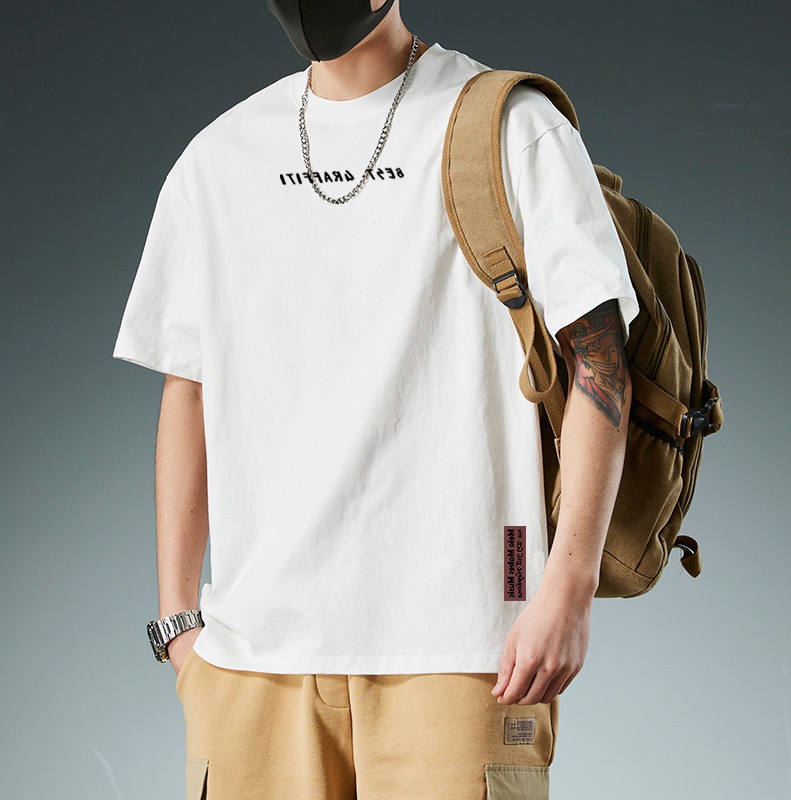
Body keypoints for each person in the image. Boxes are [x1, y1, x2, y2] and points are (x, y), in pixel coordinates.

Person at [112, 1, 638, 798]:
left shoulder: (511, 129)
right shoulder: (218, 162)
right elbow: (189, 388)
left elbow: (601, 357)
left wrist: (569, 587)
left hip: (465, 653)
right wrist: (180, 622)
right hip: (253, 665)